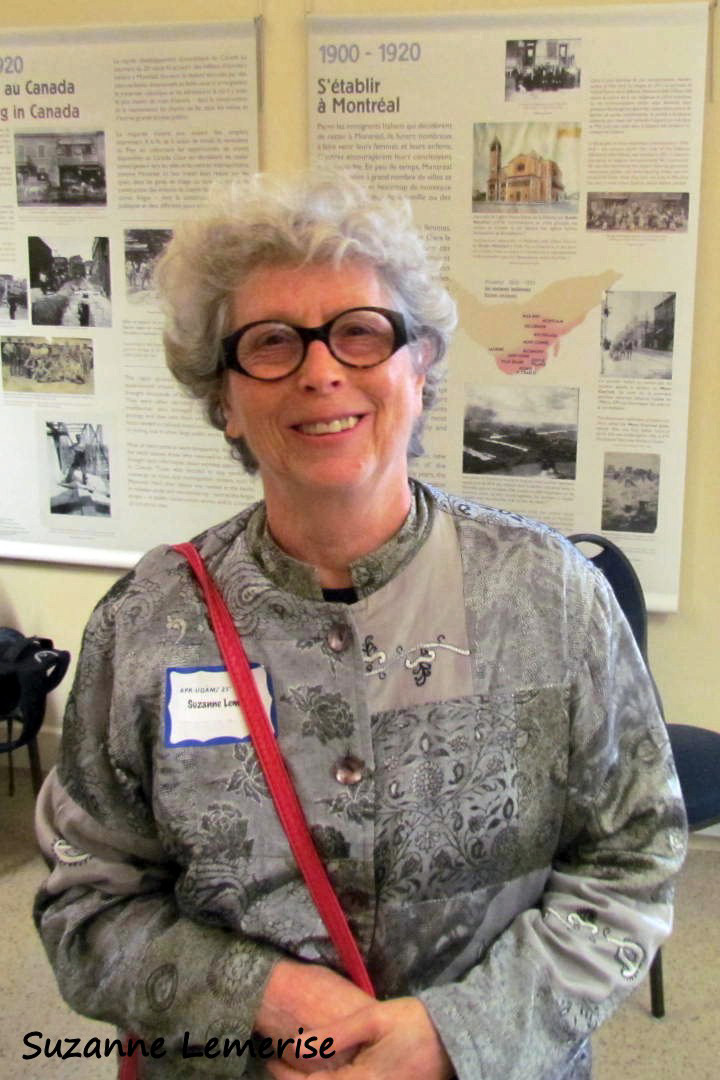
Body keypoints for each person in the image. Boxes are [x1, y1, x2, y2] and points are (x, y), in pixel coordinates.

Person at [34, 174, 686, 1080]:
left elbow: (633, 859)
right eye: (271, 342)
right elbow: (87, 903)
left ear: (419, 367)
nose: (321, 371)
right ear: (222, 398)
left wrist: (457, 1035)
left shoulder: (551, 596)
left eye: (361, 332)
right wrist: (261, 1001)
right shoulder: (146, 623)